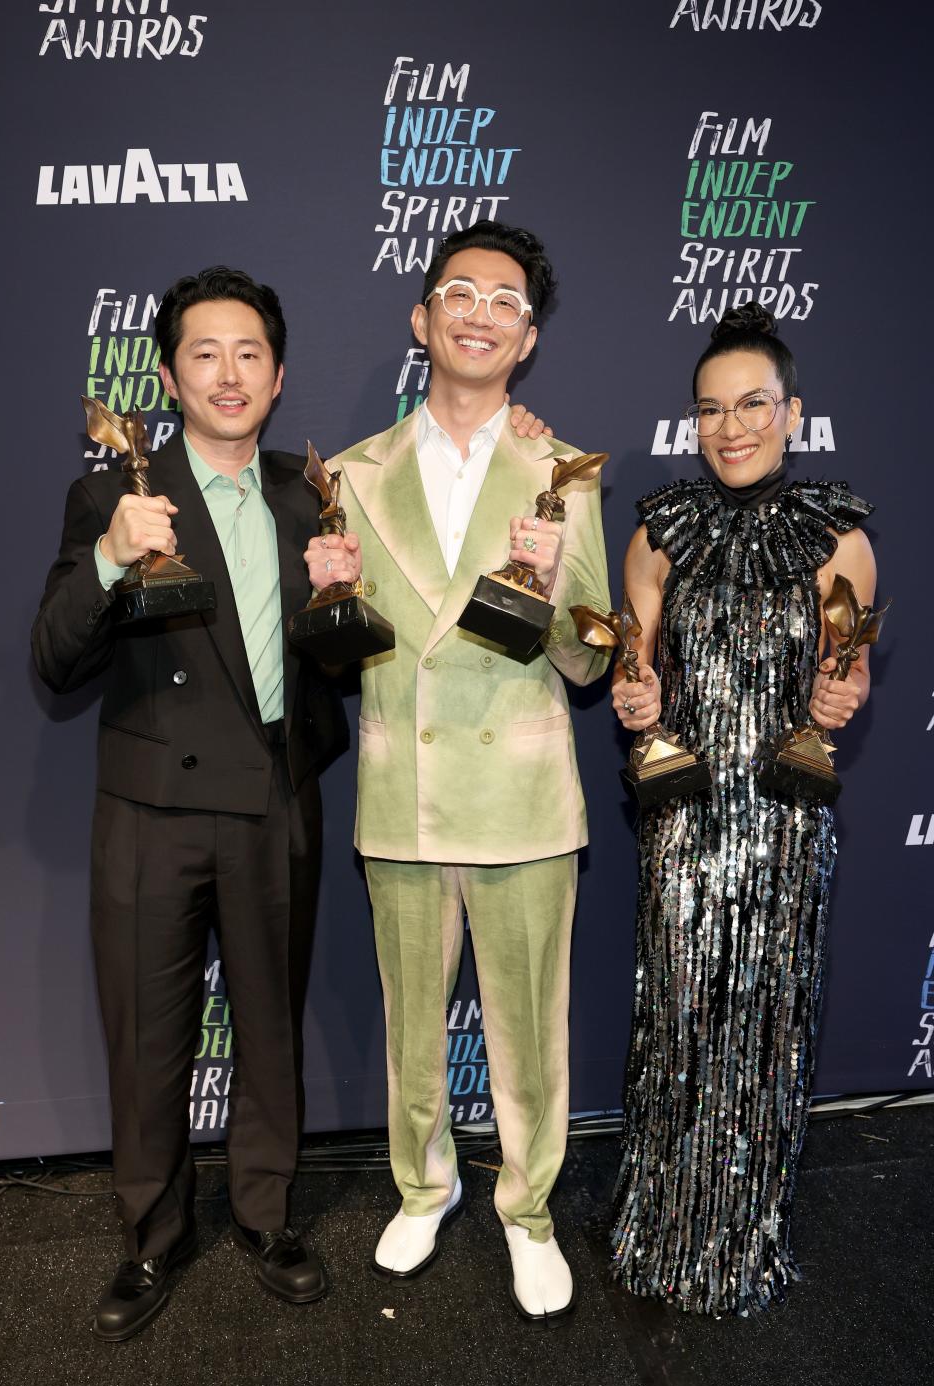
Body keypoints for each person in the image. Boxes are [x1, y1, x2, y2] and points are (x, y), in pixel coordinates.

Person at [31, 265, 549, 1342]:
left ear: (278, 377)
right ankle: (150, 1237)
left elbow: (338, 662)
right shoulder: (112, 497)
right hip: (149, 812)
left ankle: (266, 1220)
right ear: (170, 373)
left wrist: (334, 603)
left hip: (275, 800)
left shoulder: (308, 490)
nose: (229, 372)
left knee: (270, 1033)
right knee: (147, 1039)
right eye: (206, 353)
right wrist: (112, 561)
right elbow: (53, 659)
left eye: (250, 354)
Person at [306, 221, 611, 1324]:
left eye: (506, 301)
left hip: (524, 803)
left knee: (533, 1025)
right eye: (460, 293)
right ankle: (423, 1189)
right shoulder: (347, 476)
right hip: (406, 796)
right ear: (423, 318)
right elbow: (338, 654)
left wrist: (550, 581)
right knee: (410, 1025)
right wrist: (325, 597)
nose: (481, 313)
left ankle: (527, 1213)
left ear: (526, 338)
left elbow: (588, 658)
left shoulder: (560, 471)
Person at [608, 303, 877, 1316]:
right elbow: (636, 669)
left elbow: (845, 676)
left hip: (782, 819)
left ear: (792, 412)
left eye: (753, 404)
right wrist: (636, 698)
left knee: (765, 1024)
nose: (732, 427)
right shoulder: (658, 530)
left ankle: (744, 1232)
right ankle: (661, 1228)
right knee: (678, 1016)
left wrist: (843, 694)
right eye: (712, 409)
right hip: (684, 816)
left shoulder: (838, 538)